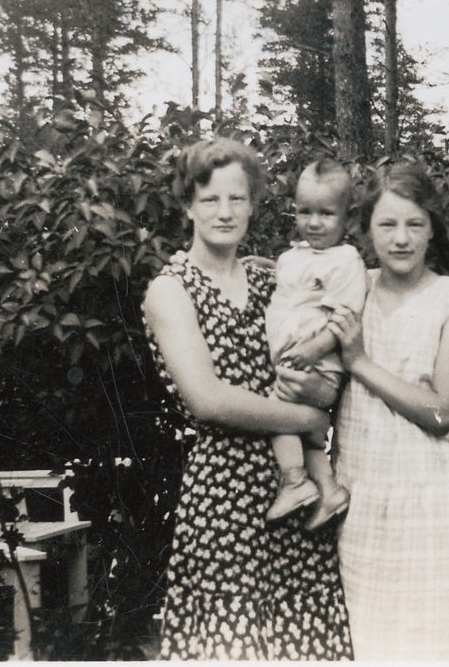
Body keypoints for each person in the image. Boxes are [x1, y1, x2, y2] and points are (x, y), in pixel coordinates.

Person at [141, 138, 352, 660]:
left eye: (237, 198)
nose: (225, 211)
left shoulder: (269, 279)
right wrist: (309, 419)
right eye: (210, 199)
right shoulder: (171, 290)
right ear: (188, 205)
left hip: (297, 501)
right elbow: (208, 400)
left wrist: (321, 399)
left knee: (302, 646)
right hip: (224, 498)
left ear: (254, 204)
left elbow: (327, 351)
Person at [326, 161, 449, 661]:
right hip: (363, 516)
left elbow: (443, 412)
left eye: (414, 224)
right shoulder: (349, 290)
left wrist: (358, 361)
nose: (400, 238)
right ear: (365, 230)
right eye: (387, 224)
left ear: (432, 229)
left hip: (441, 518)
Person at [265, 159, 365, 530]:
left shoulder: (345, 261)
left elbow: (346, 317)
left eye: (326, 213)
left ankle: (294, 483)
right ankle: (329, 489)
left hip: (317, 364)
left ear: (348, 219)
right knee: (307, 437)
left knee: (277, 414)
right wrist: (264, 265)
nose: (314, 222)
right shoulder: (294, 256)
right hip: (296, 361)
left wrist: (314, 349)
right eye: (305, 211)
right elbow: (293, 284)